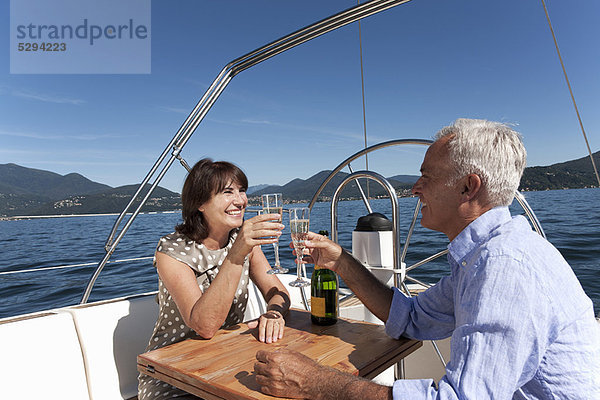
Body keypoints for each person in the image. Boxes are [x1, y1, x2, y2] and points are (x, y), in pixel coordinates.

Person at [253, 118, 600, 399]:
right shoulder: (482, 257)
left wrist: (315, 383)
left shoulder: (504, 267)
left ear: (469, 187)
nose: (415, 188)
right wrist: (341, 261)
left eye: (427, 176)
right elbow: (411, 317)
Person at [139, 158, 290, 400]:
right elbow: (205, 326)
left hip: (227, 363)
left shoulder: (243, 241)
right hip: (174, 377)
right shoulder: (171, 251)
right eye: (228, 192)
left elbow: (278, 293)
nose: (240, 200)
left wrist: (274, 313)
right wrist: (237, 252)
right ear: (200, 202)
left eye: (242, 191)